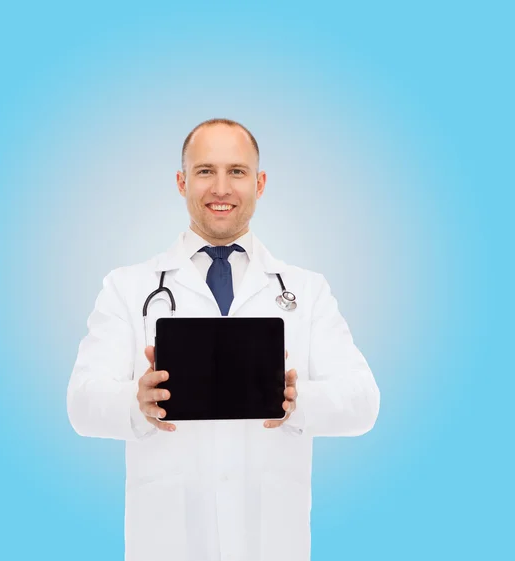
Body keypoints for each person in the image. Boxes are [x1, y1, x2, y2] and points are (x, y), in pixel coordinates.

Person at [67, 118, 380, 561]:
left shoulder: (305, 291)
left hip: (272, 543)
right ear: (181, 182)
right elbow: (81, 404)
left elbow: (364, 402)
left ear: (260, 182)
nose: (221, 188)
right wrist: (136, 402)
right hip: (167, 543)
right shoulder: (127, 287)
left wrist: (296, 400)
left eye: (236, 171)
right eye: (204, 171)